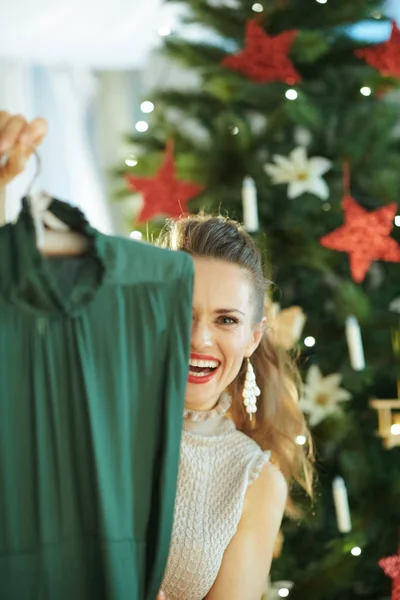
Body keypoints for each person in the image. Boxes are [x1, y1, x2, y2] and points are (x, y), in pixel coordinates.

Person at [0, 112, 313, 600]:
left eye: (225, 320)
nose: (199, 340)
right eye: (180, 312)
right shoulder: (89, 403)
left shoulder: (252, 478)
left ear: (254, 338)